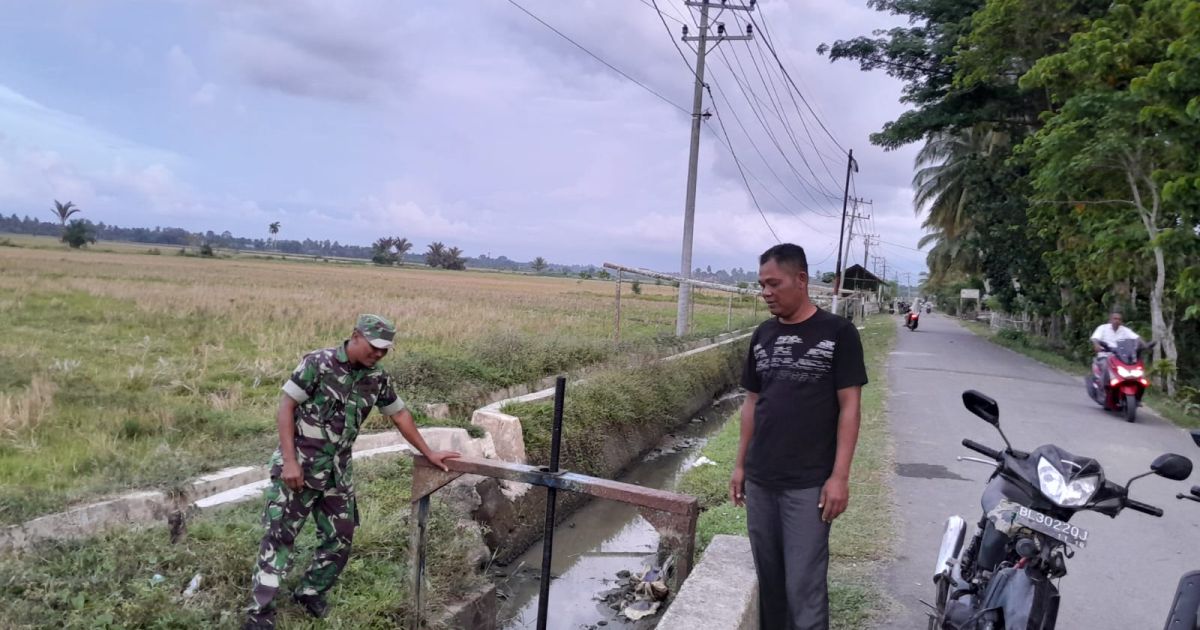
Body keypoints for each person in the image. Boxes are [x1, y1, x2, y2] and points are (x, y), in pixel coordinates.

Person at [243, 314, 461, 629]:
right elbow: (286, 407)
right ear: (356, 335)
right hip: (300, 466)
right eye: (374, 347)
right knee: (280, 537)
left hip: (337, 473)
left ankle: (310, 593)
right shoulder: (318, 363)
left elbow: (399, 414)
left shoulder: (377, 378)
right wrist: (289, 462)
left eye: (385, 350)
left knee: (340, 536)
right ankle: (259, 613)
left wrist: (428, 451)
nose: (378, 355)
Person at [730, 244, 868, 630]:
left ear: (801, 279)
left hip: (808, 485)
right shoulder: (763, 334)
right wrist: (740, 465)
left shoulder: (838, 333)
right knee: (771, 584)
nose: (766, 292)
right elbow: (752, 403)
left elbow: (850, 408)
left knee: (803, 587)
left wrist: (839, 477)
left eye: (774, 283)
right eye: (762, 285)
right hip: (761, 480)